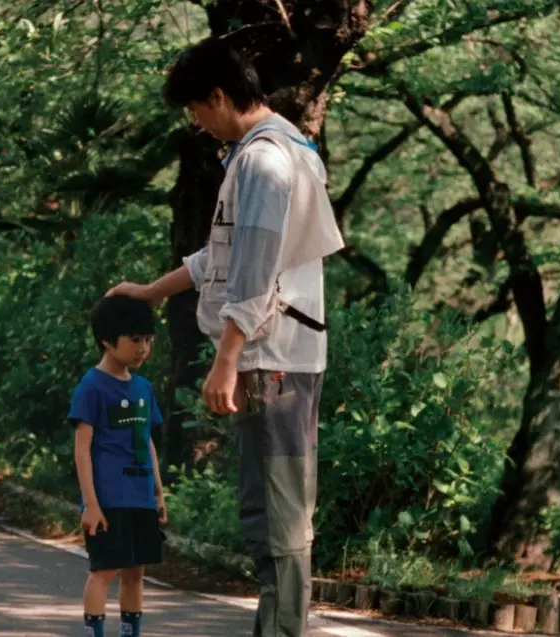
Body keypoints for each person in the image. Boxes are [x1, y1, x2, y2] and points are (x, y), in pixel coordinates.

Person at [106, 37, 344, 637]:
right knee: (274, 506)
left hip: (270, 358)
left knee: (276, 513)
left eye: (196, 109)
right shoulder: (283, 146)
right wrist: (153, 291)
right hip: (281, 355)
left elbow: (255, 268)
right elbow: (223, 255)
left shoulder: (265, 162)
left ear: (218, 96)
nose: (197, 123)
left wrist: (227, 359)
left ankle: (282, 631)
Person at [68, 294, 168, 637]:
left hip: (140, 498)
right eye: (135, 339)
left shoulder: (143, 388)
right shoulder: (92, 387)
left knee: (136, 573)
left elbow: (146, 441)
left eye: (148, 340)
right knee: (104, 572)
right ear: (108, 341)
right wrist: (91, 504)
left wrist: (158, 493)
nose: (143, 348)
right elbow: (82, 450)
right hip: (108, 500)